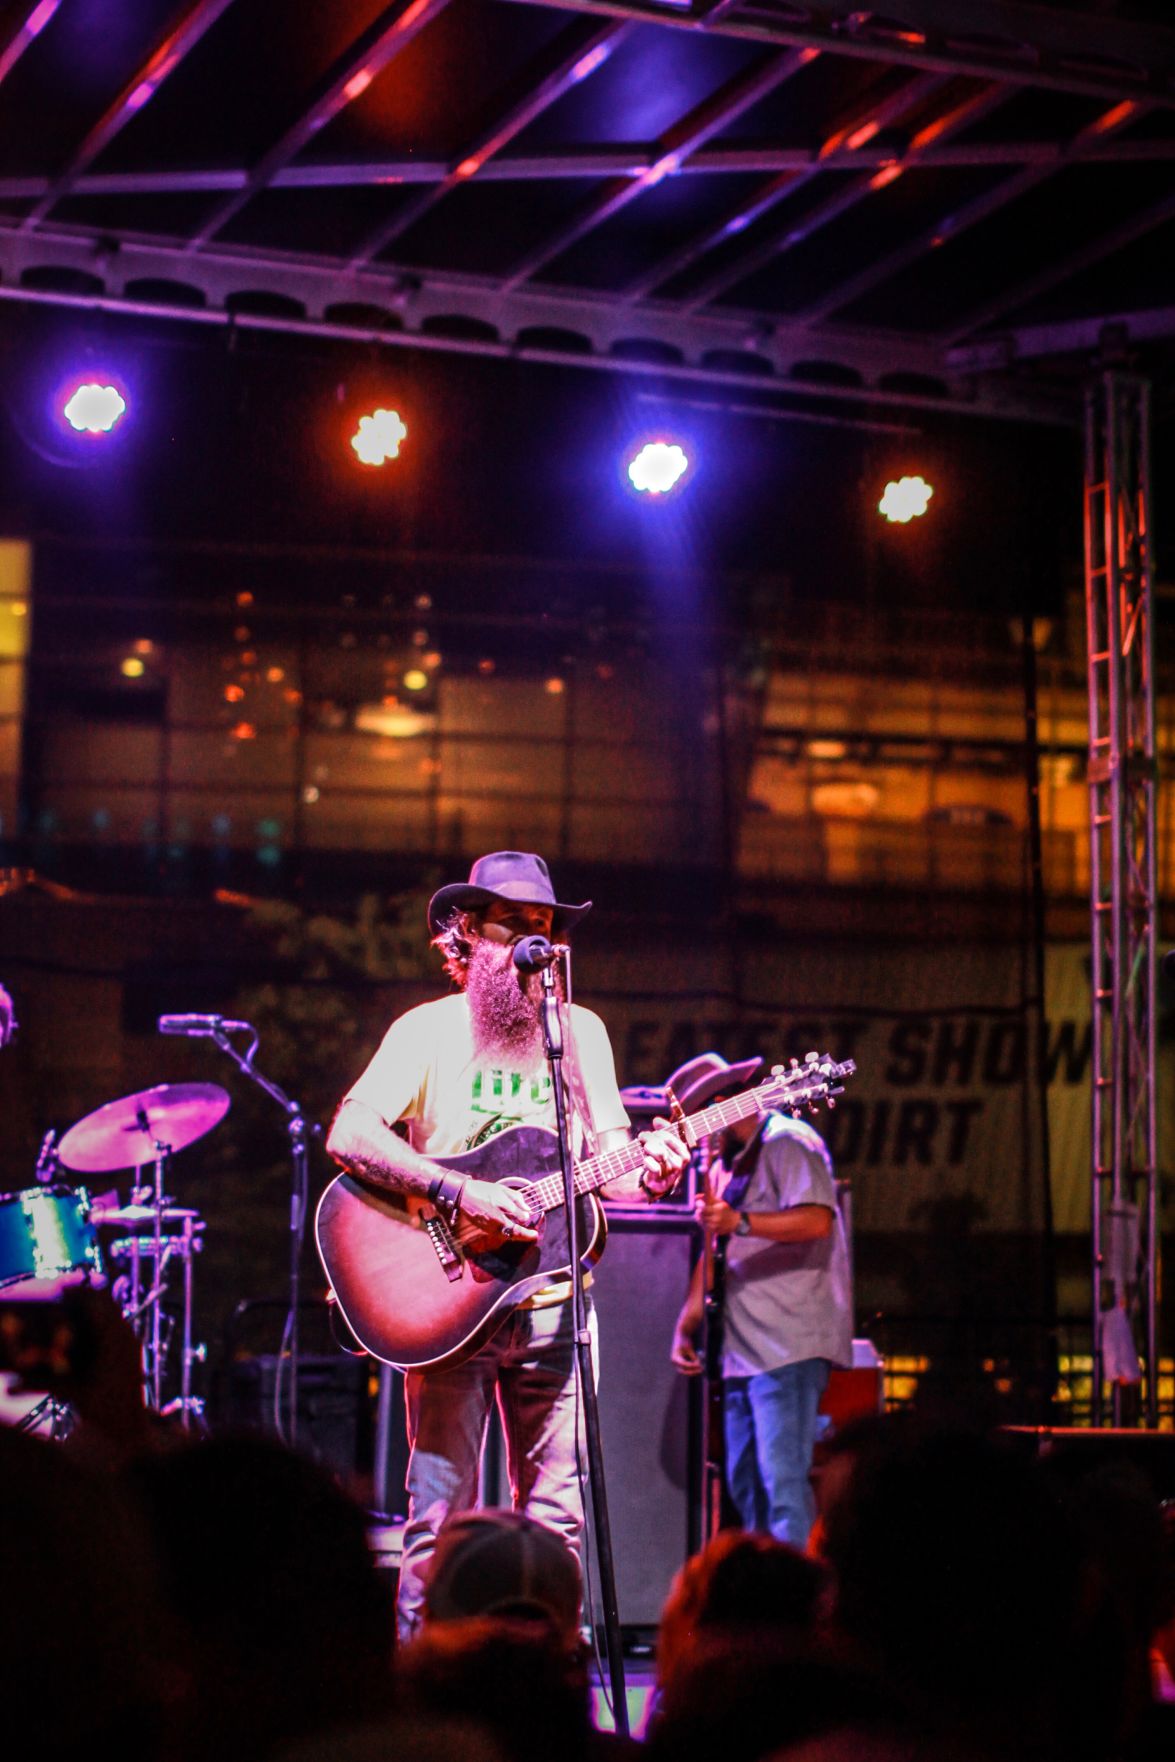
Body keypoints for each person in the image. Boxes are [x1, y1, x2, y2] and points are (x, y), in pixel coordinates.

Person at [326, 850, 688, 1638]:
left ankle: (547, 1684)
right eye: (515, 922)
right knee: (437, 1519)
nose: (537, 937)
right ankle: (419, 1686)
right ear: (468, 936)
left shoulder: (578, 1032)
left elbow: (612, 1165)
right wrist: (461, 1190)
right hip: (452, 1300)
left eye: (545, 924)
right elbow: (349, 1133)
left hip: (556, 1305)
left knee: (557, 1522)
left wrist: (652, 1171)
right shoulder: (424, 1031)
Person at [670, 1055, 852, 1548]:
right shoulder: (731, 1162)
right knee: (746, 1485)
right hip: (741, 1352)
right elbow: (718, 1246)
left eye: (700, 1116)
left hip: (786, 1347)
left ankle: (797, 1606)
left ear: (722, 1105)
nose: (699, 1132)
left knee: (783, 1484)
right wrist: (686, 1324)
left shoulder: (789, 1142)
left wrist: (741, 1223)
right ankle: (766, 1597)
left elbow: (818, 1221)